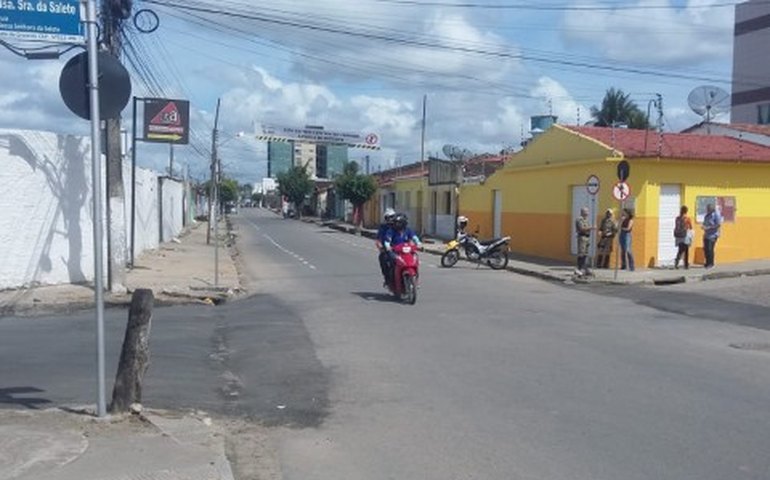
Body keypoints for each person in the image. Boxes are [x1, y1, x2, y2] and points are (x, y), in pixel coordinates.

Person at [383, 213, 421, 286]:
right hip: (396, 252)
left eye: (399, 223)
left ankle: (416, 280)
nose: (397, 224)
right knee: (392, 263)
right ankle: (391, 281)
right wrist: (388, 246)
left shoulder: (408, 230)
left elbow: (414, 237)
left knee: (415, 260)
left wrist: (418, 243)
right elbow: (387, 240)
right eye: (396, 223)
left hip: (407, 252)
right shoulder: (391, 231)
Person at [376, 208, 397, 287]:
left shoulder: (398, 226)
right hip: (388, 250)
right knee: (383, 258)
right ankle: (387, 279)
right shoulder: (383, 228)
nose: (391, 219)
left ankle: (415, 280)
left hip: (399, 249)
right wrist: (381, 247)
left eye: (393, 217)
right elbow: (378, 239)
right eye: (389, 217)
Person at [702, 203, 722, 268]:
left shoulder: (716, 215)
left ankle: (711, 263)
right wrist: (704, 226)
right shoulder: (707, 215)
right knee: (705, 249)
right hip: (706, 235)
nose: (707, 210)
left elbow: (718, 224)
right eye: (707, 209)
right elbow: (704, 223)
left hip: (713, 235)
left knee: (710, 249)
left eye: (708, 209)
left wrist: (709, 227)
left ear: (712, 209)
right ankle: (707, 262)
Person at [574, 207, 593, 276]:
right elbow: (582, 228)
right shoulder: (579, 219)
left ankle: (583, 268)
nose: (587, 213)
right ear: (582, 212)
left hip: (586, 237)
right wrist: (591, 228)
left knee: (585, 253)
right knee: (581, 253)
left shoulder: (586, 220)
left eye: (587, 211)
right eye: (586, 211)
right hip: (582, 237)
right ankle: (579, 268)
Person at [674, 205, 693, 269]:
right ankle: (686, 265)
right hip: (685, 236)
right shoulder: (687, 219)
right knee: (686, 250)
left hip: (679, 235)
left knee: (680, 250)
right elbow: (690, 227)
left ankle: (676, 262)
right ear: (686, 211)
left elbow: (676, 226)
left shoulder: (677, 218)